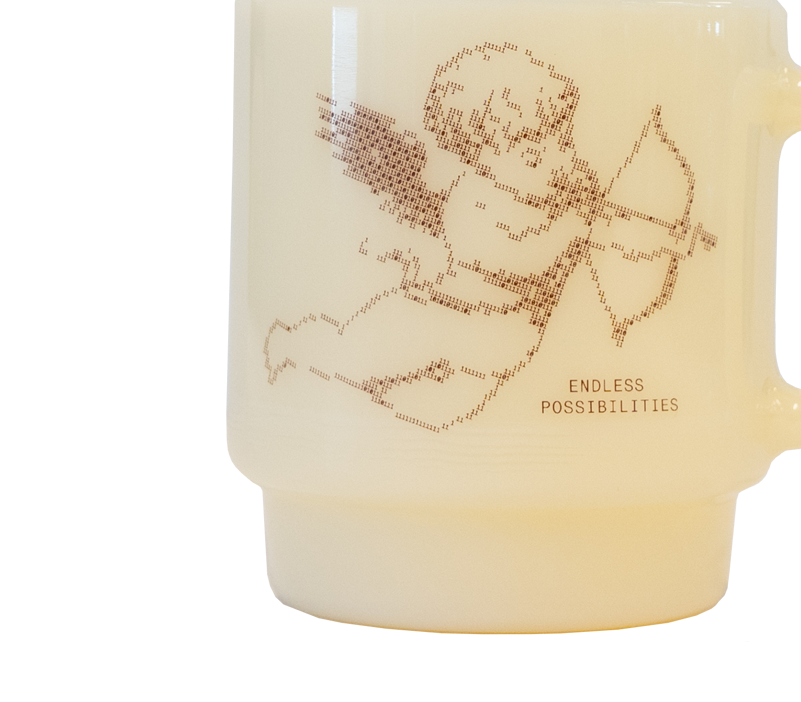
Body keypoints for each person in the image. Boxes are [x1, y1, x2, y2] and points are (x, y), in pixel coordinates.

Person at [264, 42, 716, 431]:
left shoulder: (558, 197)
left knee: (448, 412)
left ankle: (391, 424)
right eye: (535, 155)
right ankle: (298, 346)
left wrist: (669, 239)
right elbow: (504, 253)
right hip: (440, 313)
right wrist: (570, 231)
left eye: (563, 143)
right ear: (483, 158)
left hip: (505, 340)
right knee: (361, 352)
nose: (559, 161)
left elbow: (614, 227)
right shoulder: (475, 199)